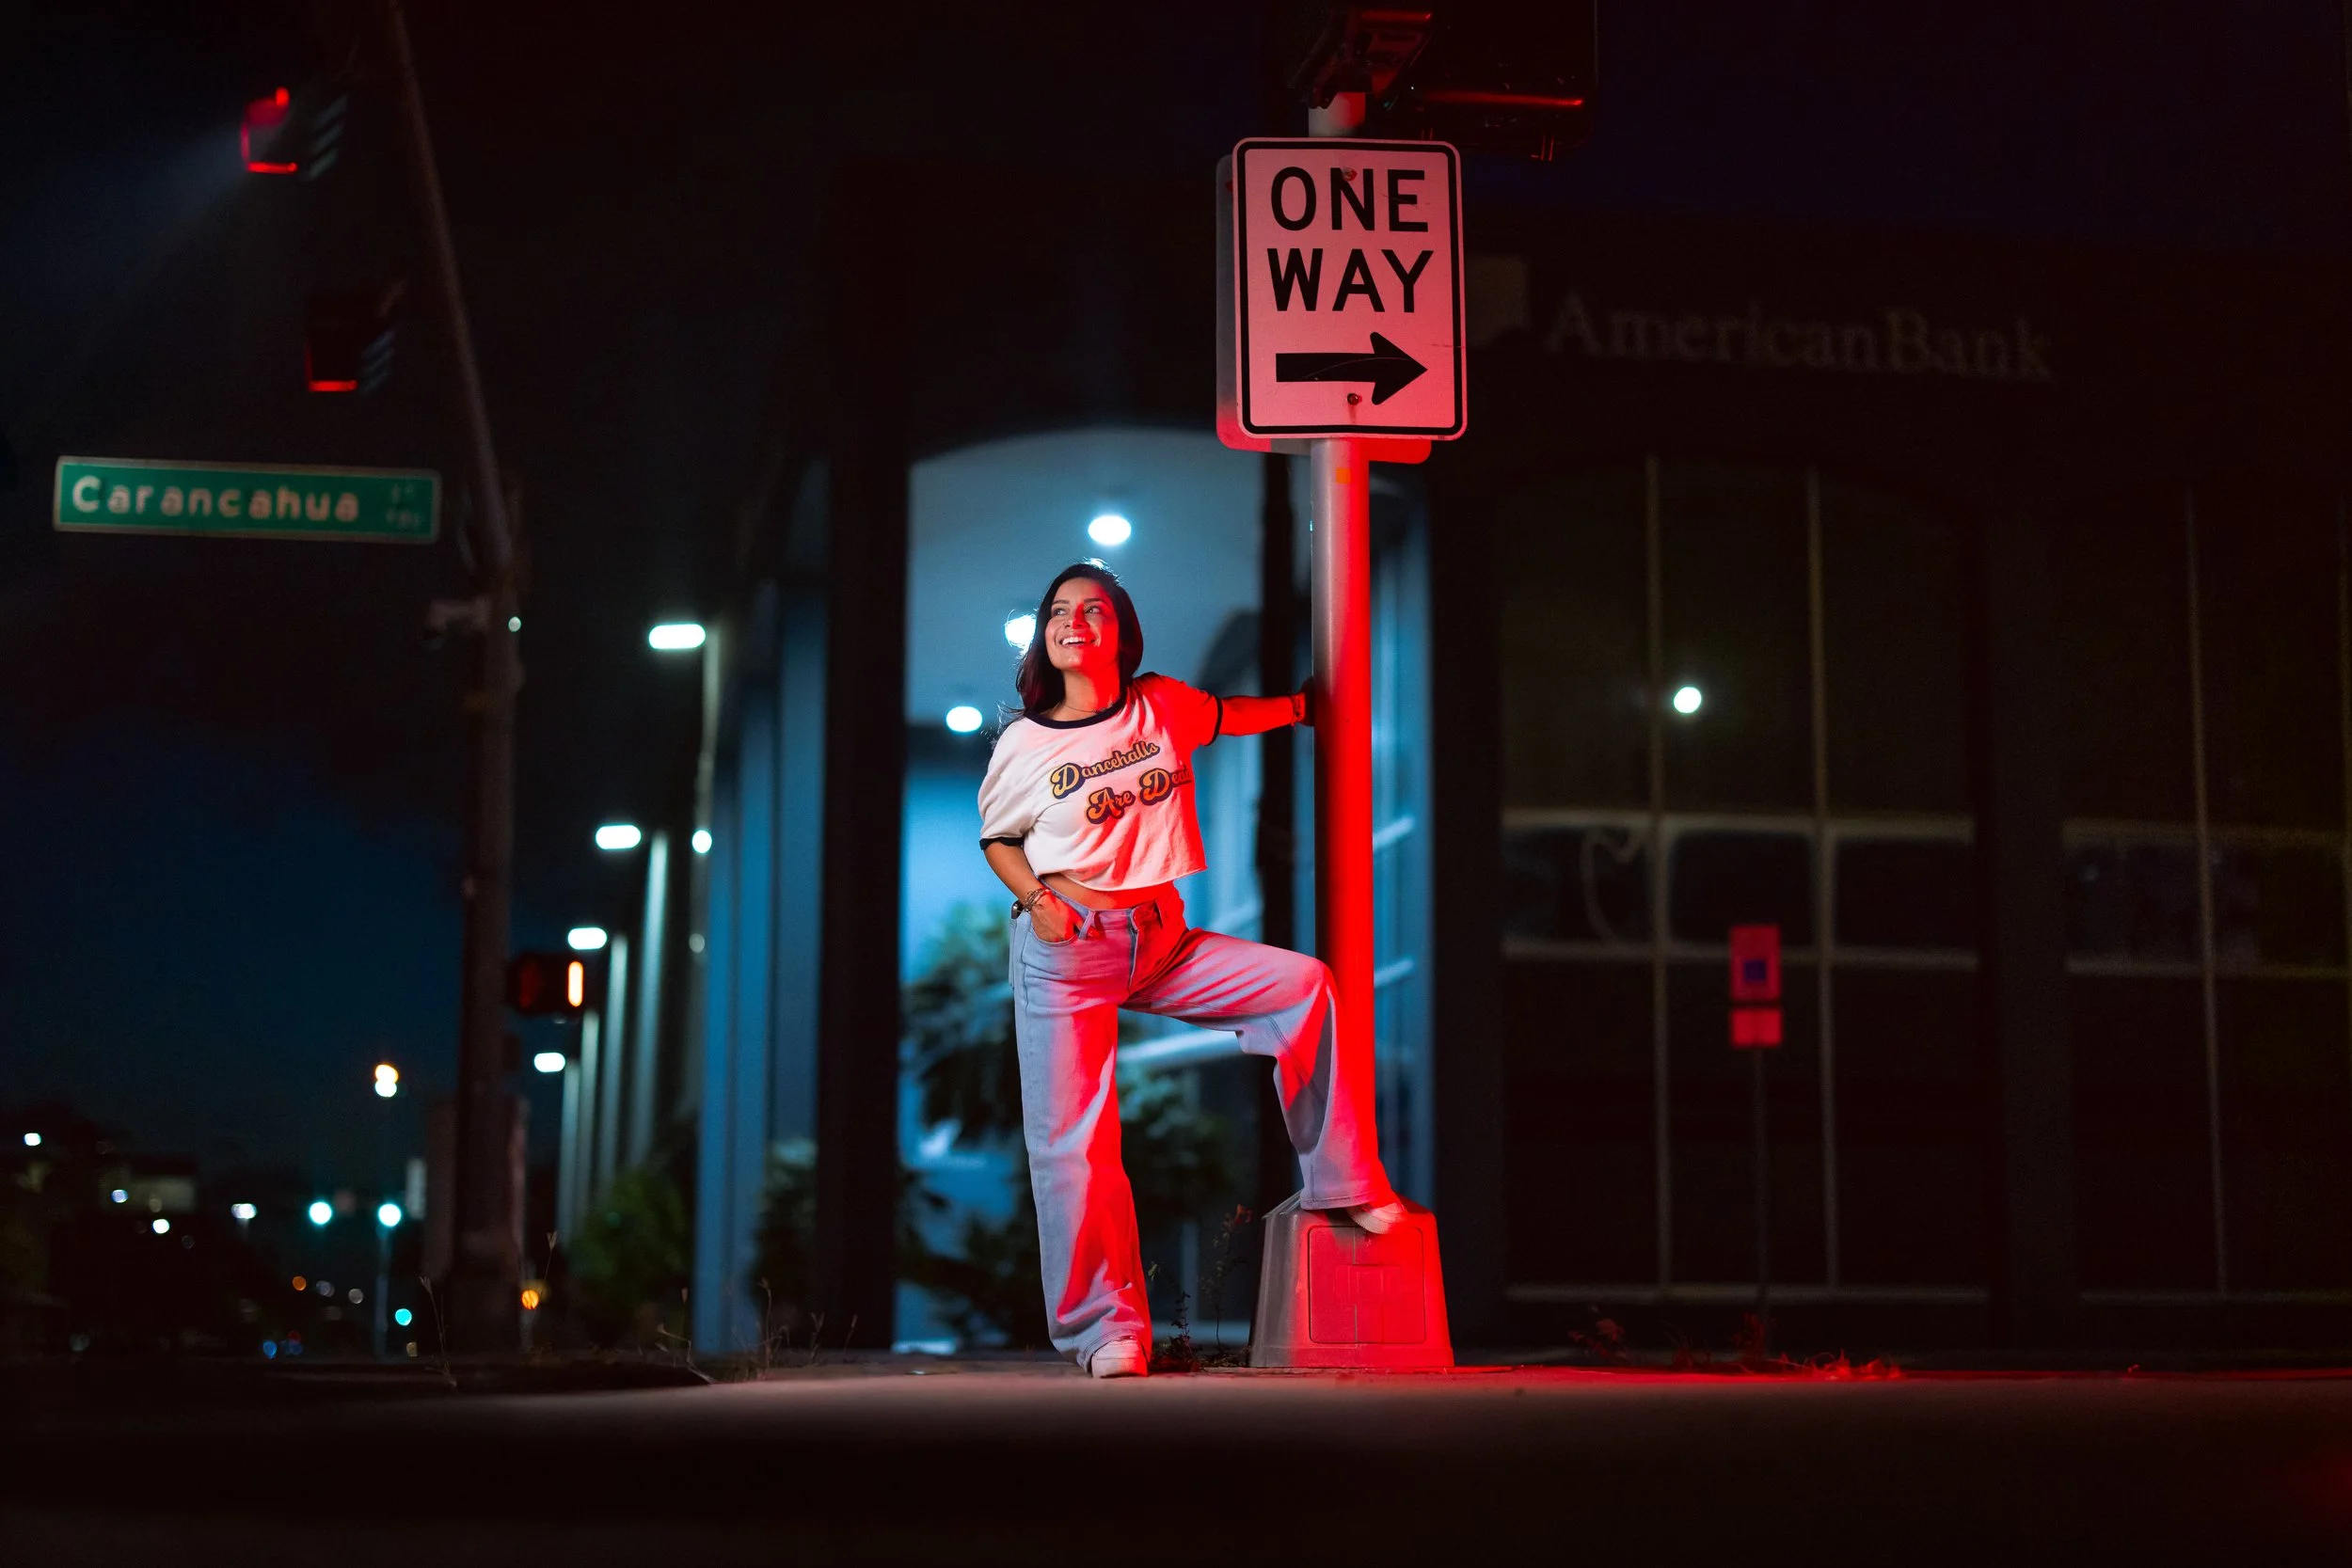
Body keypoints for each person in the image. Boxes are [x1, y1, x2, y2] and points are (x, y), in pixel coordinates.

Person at [977, 562, 1404, 1380]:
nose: (1075, 621)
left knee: (1302, 985)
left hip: (1159, 938)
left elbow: (1229, 717)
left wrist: (1303, 708)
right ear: (1046, 636)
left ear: (1122, 632)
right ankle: (1109, 1331)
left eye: (1094, 609)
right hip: (1065, 952)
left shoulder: (1160, 703)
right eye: (1059, 611)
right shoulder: (1026, 742)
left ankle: (1343, 1179)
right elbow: (999, 839)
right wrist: (1035, 897)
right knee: (1075, 1146)